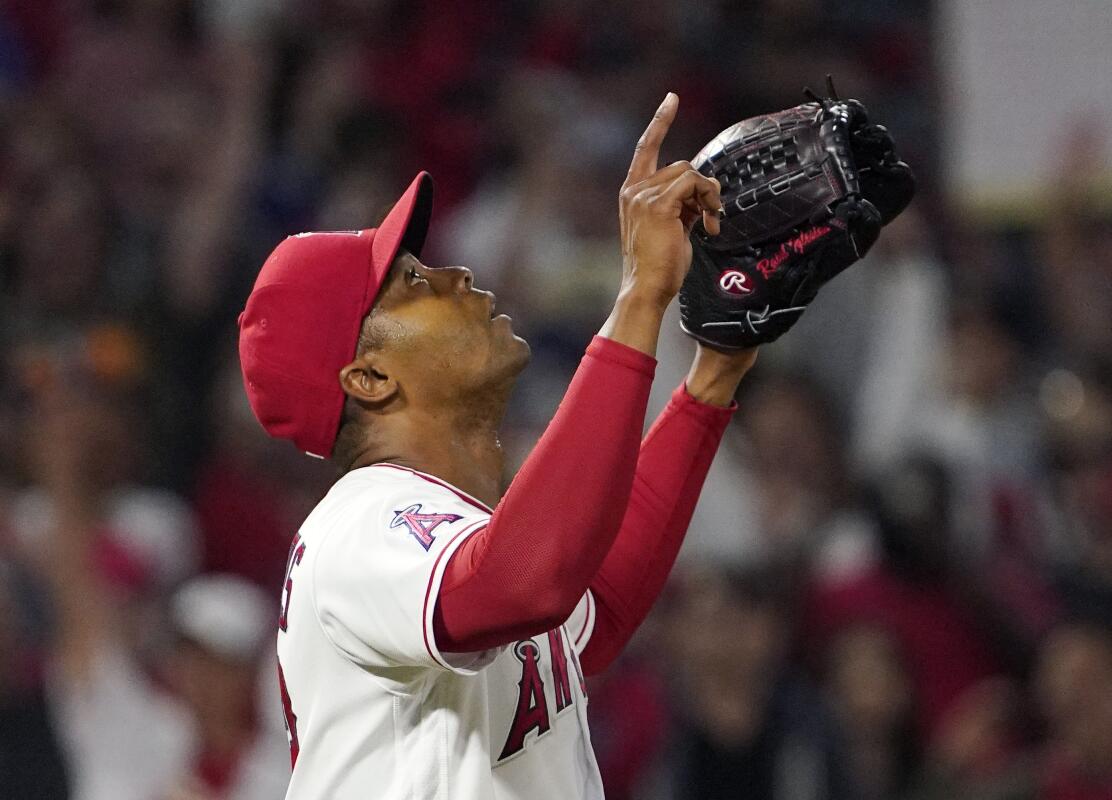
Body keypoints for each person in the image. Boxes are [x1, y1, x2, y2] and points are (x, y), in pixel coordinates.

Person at [237, 93, 759, 799]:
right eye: (413, 283)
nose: (456, 275)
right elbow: (524, 584)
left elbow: (588, 612)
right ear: (368, 377)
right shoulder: (358, 523)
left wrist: (715, 372)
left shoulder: (449, 530)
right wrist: (637, 297)